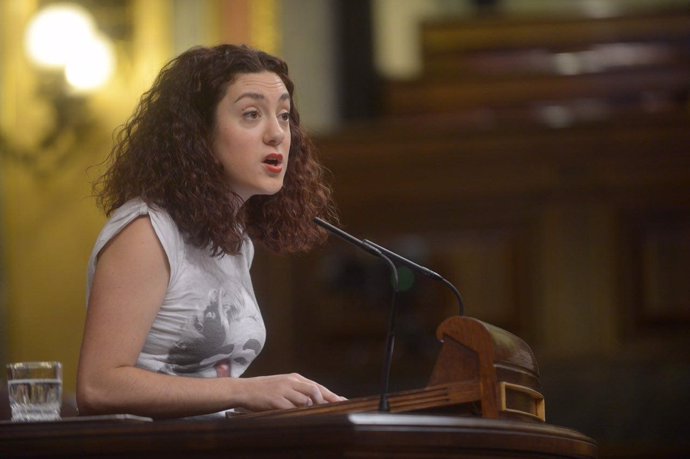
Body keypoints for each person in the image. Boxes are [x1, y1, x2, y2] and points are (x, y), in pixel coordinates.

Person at [76, 44, 344, 419]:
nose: (278, 134)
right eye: (252, 114)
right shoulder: (146, 232)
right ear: (199, 135)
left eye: (284, 116)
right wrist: (244, 391)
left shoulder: (233, 239)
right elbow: (98, 386)